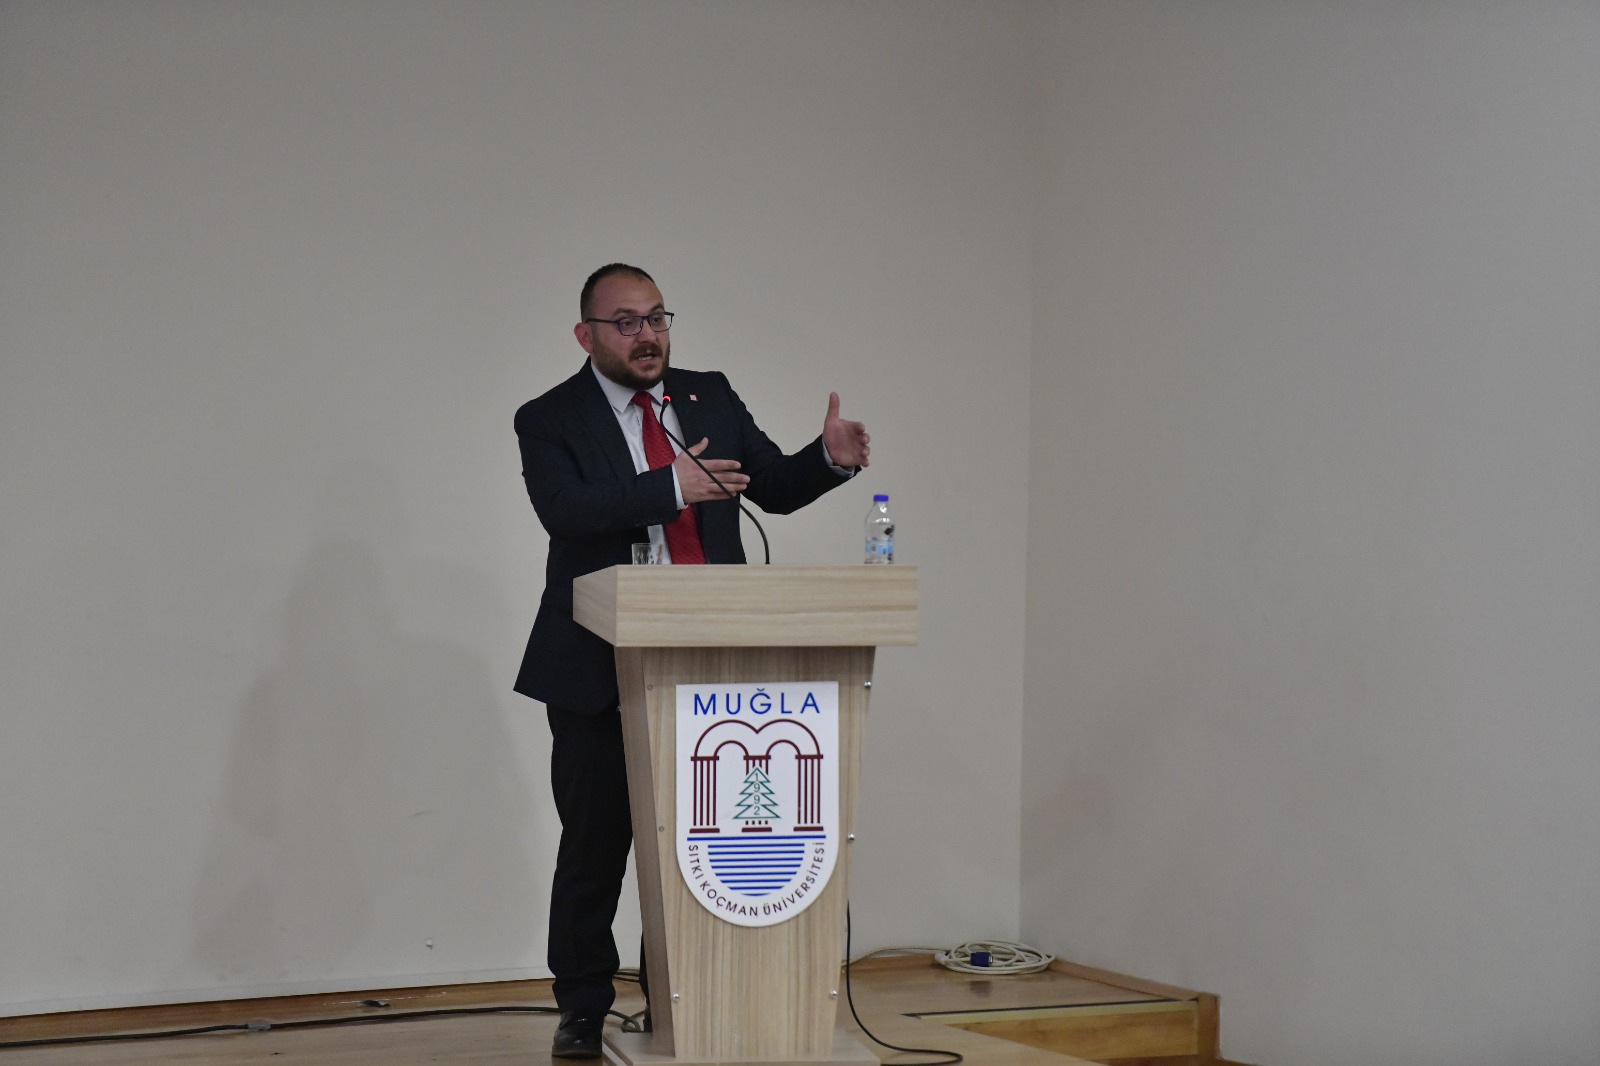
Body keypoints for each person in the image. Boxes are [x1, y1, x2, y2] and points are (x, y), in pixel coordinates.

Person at [513, 263, 870, 1058]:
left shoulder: (708, 395)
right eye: (627, 323)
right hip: (596, 665)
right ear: (587, 335)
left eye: (657, 318)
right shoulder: (549, 417)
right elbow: (565, 512)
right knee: (596, 845)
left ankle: (679, 1001)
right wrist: (667, 488)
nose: (648, 336)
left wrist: (828, 459)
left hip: (710, 664)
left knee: (695, 842)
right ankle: (582, 1008)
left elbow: (770, 487)